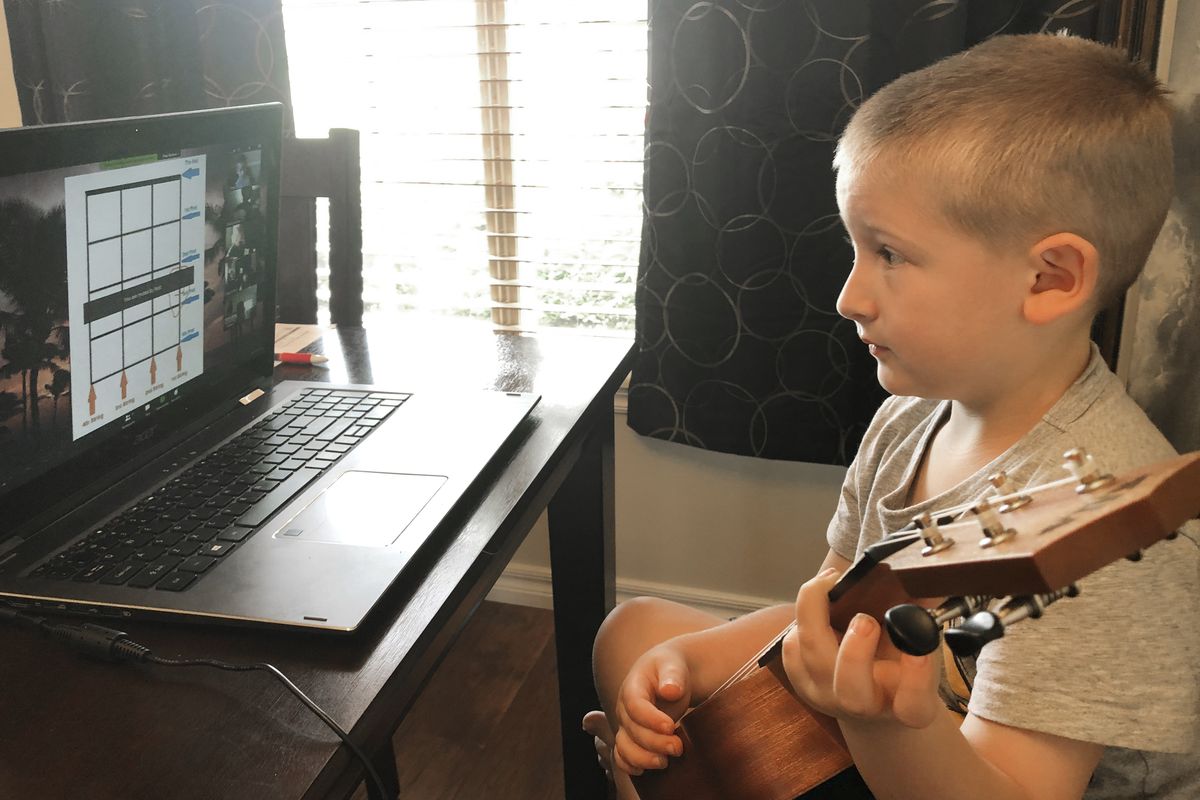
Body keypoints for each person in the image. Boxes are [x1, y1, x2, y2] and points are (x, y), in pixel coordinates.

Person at [584, 32, 1199, 800]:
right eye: (856, 248)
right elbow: (832, 608)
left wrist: (880, 727)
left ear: (1051, 278)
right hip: (897, 720)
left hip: (963, 772)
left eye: (890, 255)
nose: (849, 297)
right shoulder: (911, 417)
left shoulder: (1110, 547)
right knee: (634, 635)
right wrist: (691, 668)